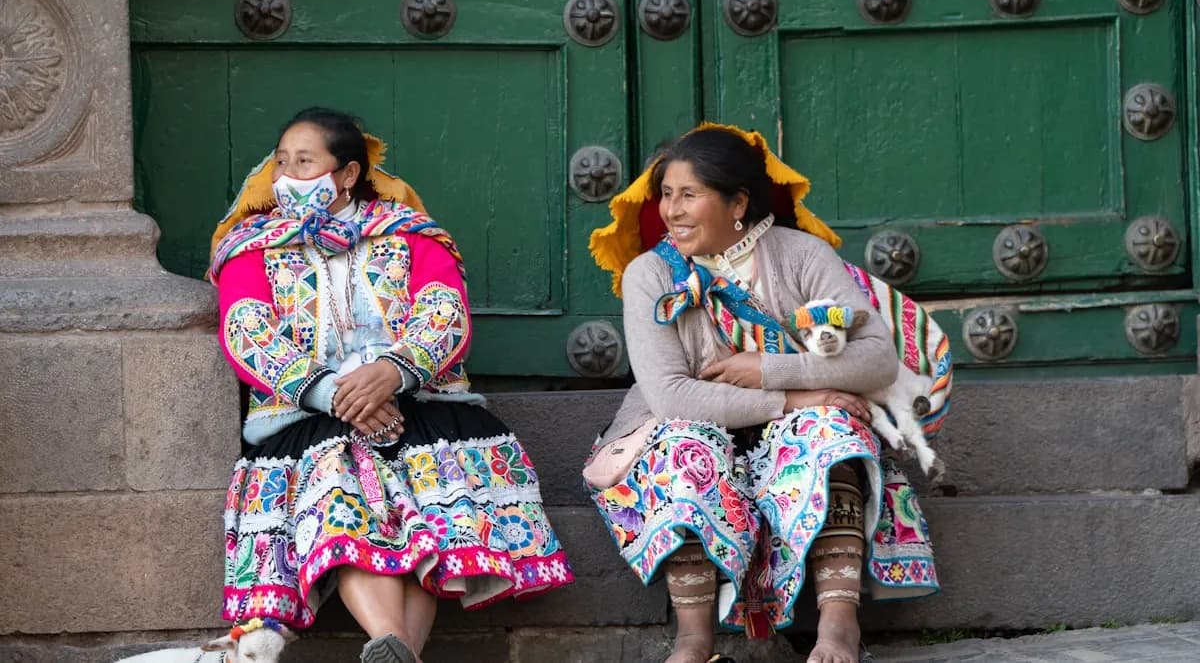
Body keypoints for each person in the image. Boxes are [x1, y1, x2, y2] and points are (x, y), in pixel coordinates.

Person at [209, 107, 574, 663]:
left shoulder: (410, 238)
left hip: (414, 405)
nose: (286, 174)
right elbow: (247, 332)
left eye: (304, 162)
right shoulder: (252, 249)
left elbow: (444, 314)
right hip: (307, 420)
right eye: (281, 161)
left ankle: (392, 650)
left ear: (348, 173)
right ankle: (401, 649)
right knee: (341, 492)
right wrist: (334, 393)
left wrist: (391, 373)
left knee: (419, 516)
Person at [584, 124, 944, 663]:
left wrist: (769, 368)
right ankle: (693, 640)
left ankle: (839, 628)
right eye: (666, 194)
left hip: (790, 438)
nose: (671, 211)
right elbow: (671, 396)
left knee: (830, 429)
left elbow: (876, 360)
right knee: (685, 445)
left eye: (690, 195)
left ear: (738, 202)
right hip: (698, 427)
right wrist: (797, 397)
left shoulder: (802, 256)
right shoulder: (651, 274)